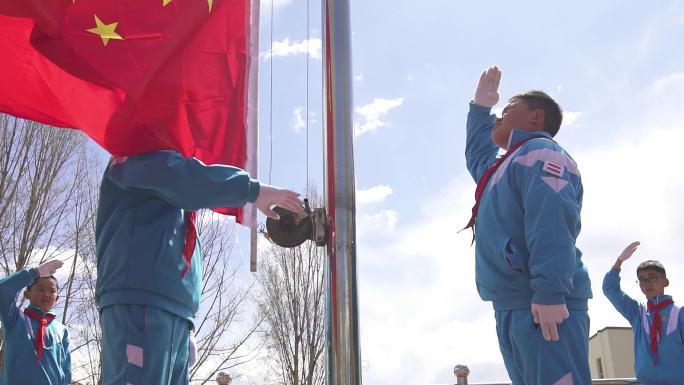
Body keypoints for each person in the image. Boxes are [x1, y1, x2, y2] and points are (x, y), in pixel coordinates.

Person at [96, 150, 304, 385]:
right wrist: (252, 190)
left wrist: (186, 320)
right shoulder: (135, 154)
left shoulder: (177, 199)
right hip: (140, 301)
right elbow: (185, 179)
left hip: (176, 313)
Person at [464, 66, 592, 385]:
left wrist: (549, 293)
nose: (499, 117)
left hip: (545, 304)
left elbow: (551, 224)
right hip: (512, 304)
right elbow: (477, 154)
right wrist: (479, 109)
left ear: (536, 118)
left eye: (507, 110)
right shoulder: (501, 167)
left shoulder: (543, 154)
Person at [603, 241, 684, 384]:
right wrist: (619, 261)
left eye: (652, 277)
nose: (647, 283)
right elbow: (610, 289)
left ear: (665, 282)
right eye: (641, 280)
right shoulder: (637, 312)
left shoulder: (679, 313)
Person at [0, 259, 71, 385]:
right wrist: (34, 273)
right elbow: (2, 289)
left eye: (52, 291)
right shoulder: (15, 318)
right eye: (40, 289)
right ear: (27, 294)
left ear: (57, 298)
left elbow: (65, 369)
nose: (47, 294)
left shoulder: (62, 330)